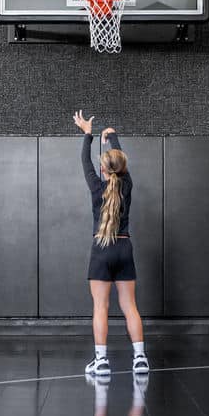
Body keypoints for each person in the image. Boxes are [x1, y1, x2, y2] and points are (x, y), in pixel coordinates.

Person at [72, 110, 149, 377]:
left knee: (100, 307)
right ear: (121, 168)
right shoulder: (127, 185)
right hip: (124, 247)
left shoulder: (96, 186)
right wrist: (112, 135)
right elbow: (120, 162)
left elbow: (85, 161)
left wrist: (87, 134)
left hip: (101, 249)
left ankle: (101, 361)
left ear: (103, 169)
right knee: (130, 307)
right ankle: (140, 358)